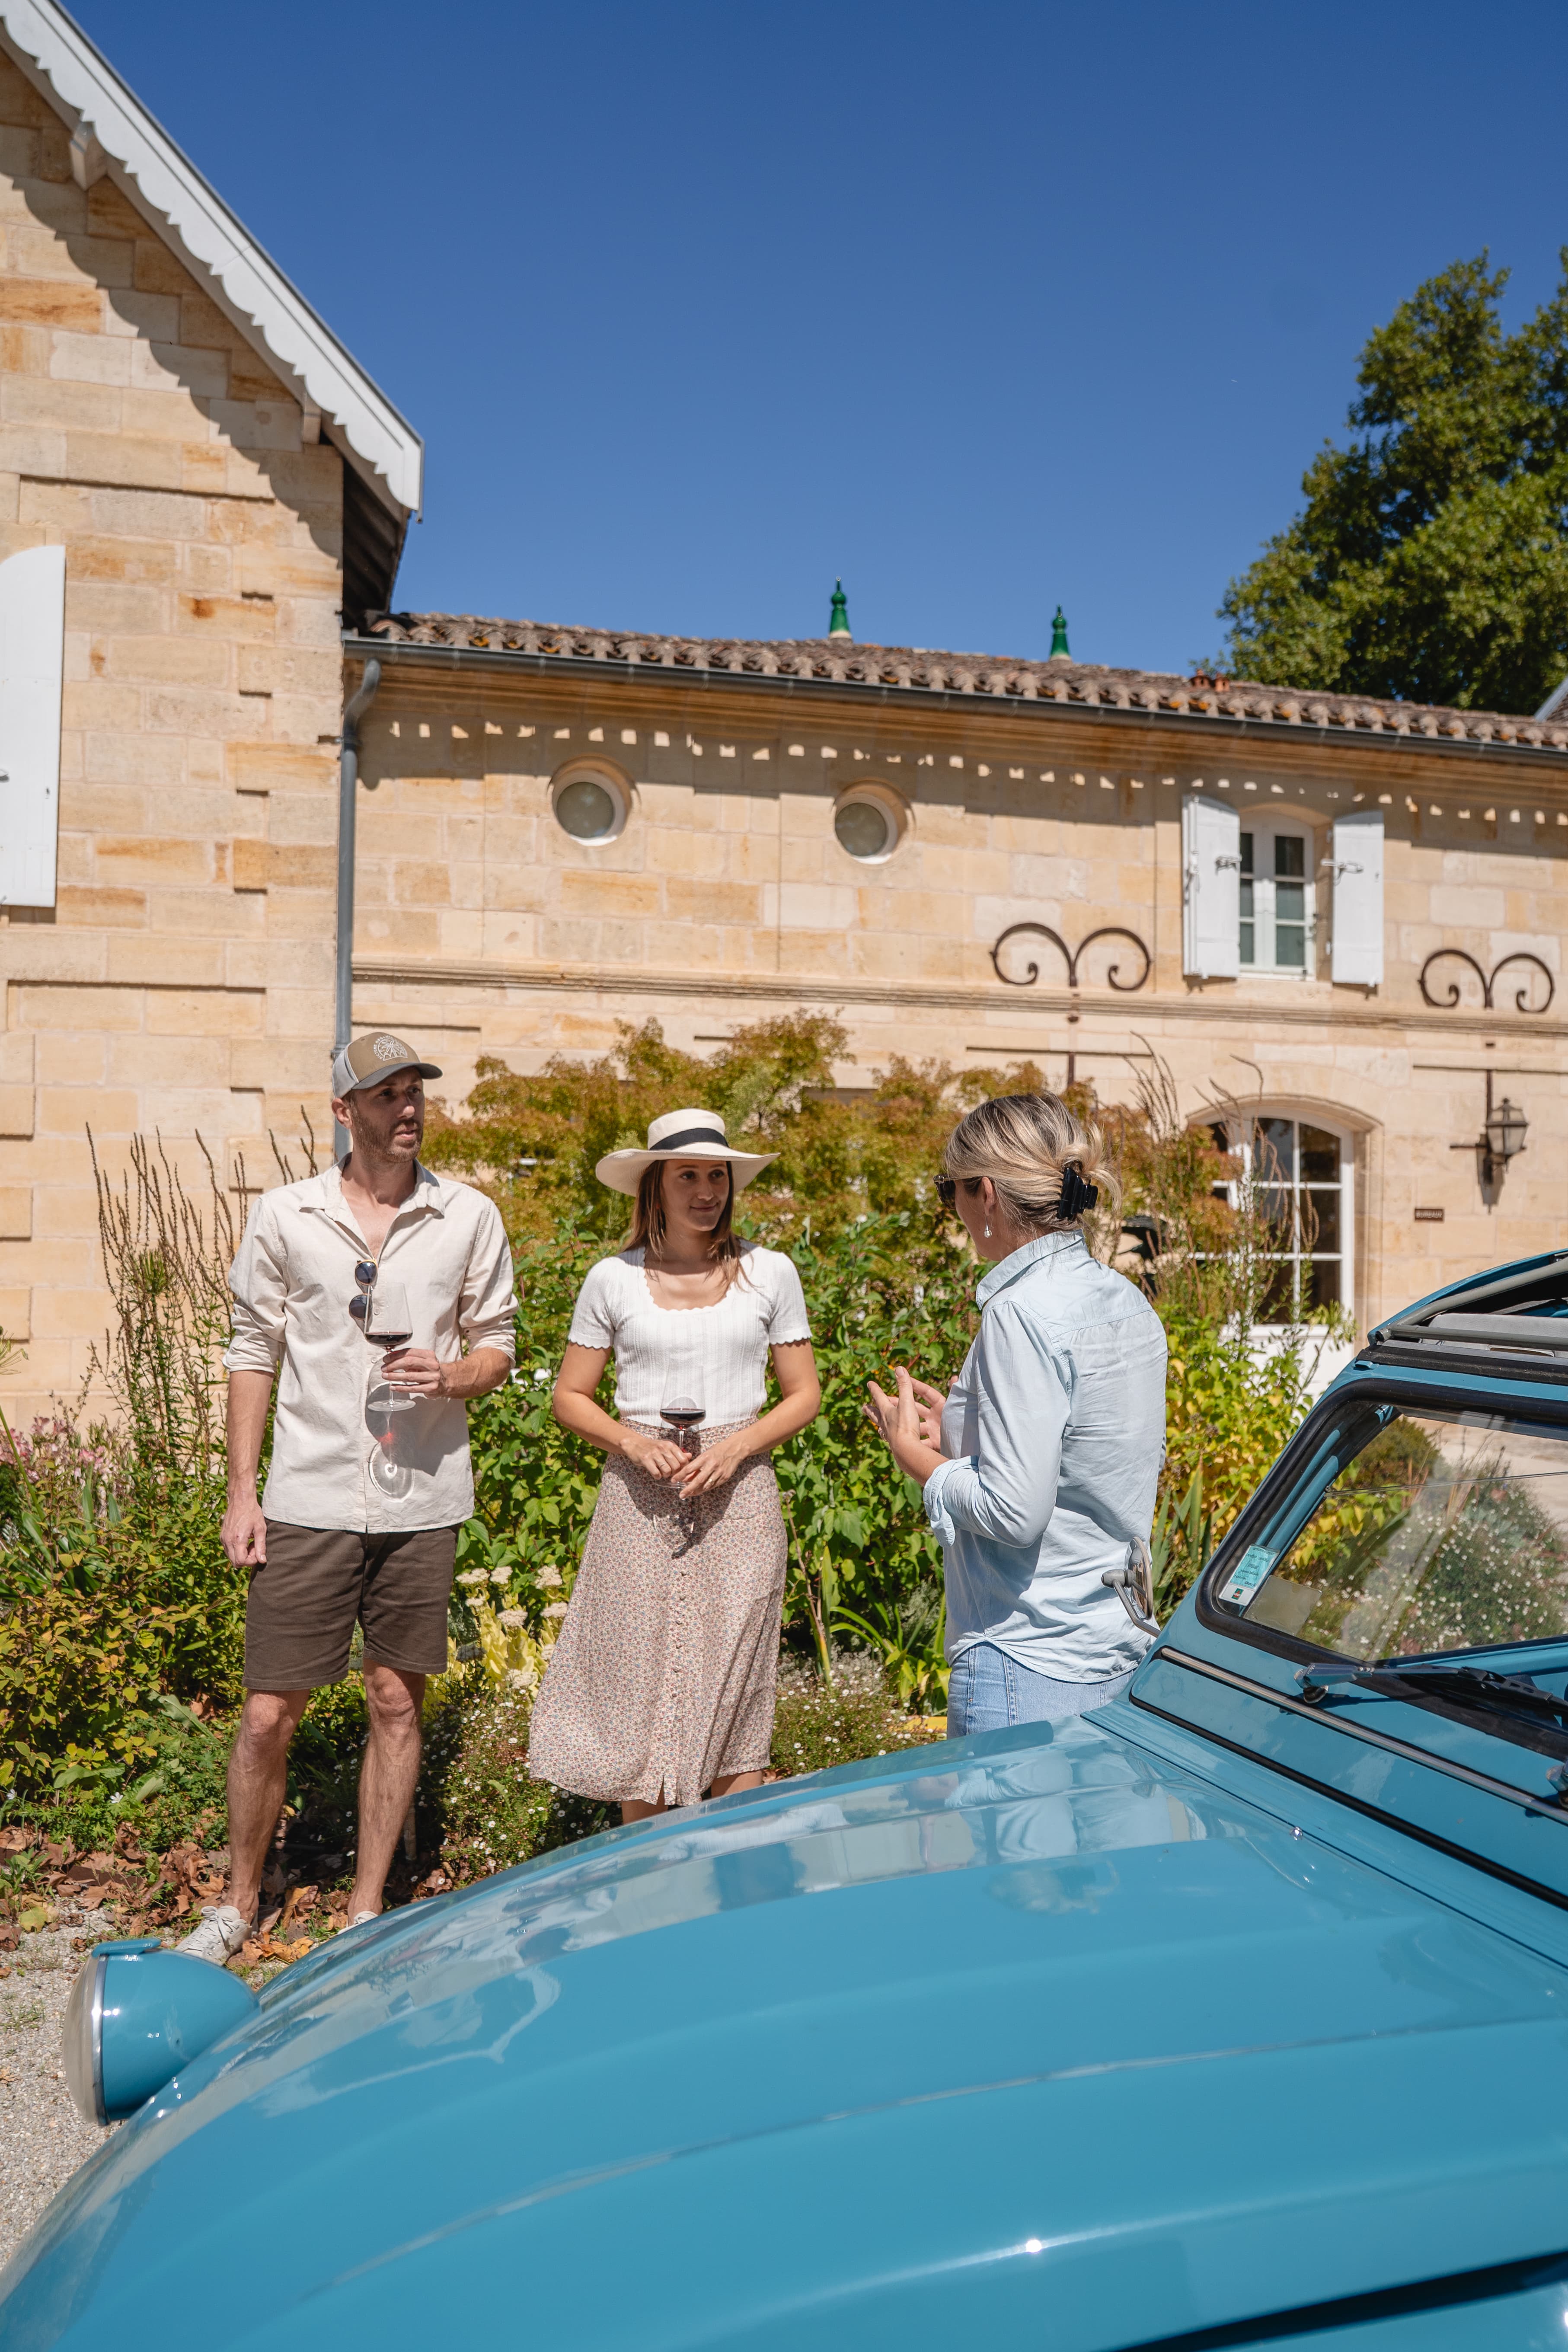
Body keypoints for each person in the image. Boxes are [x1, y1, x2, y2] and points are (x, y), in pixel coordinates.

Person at [176, 1032, 517, 1964]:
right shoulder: (288, 1216)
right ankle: (238, 1905)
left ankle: (365, 1910)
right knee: (265, 1714)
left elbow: (498, 1344)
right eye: (386, 1095)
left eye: (415, 1093)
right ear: (343, 1112)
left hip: (421, 1497)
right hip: (310, 1492)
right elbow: (253, 1349)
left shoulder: (467, 1216)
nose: (407, 1109)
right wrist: (242, 1493)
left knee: (395, 1704)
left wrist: (453, 1376)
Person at [527, 1107, 821, 1818]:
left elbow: (805, 1394)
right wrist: (630, 1441)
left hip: (740, 1498)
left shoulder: (769, 1272)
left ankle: (725, 1888)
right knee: (641, 1692)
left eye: (716, 1174)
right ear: (654, 1185)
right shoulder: (613, 1279)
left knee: (736, 1691)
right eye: (687, 1174)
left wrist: (736, 1448)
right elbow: (569, 1397)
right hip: (640, 1499)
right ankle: (647, 1888)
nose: (706, 1189)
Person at [863, 1091, 1166, 1737]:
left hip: (1026, 1656)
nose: (956, 1212)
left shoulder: (1018, 1311)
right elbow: (1088, 1455)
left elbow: (1013, 1511)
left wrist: (916, 1456)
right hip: (1115, 1646)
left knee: (1005, 1842)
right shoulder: (1123, 1299)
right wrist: (966, 1424)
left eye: (952, 1192)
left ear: (988, 1194)